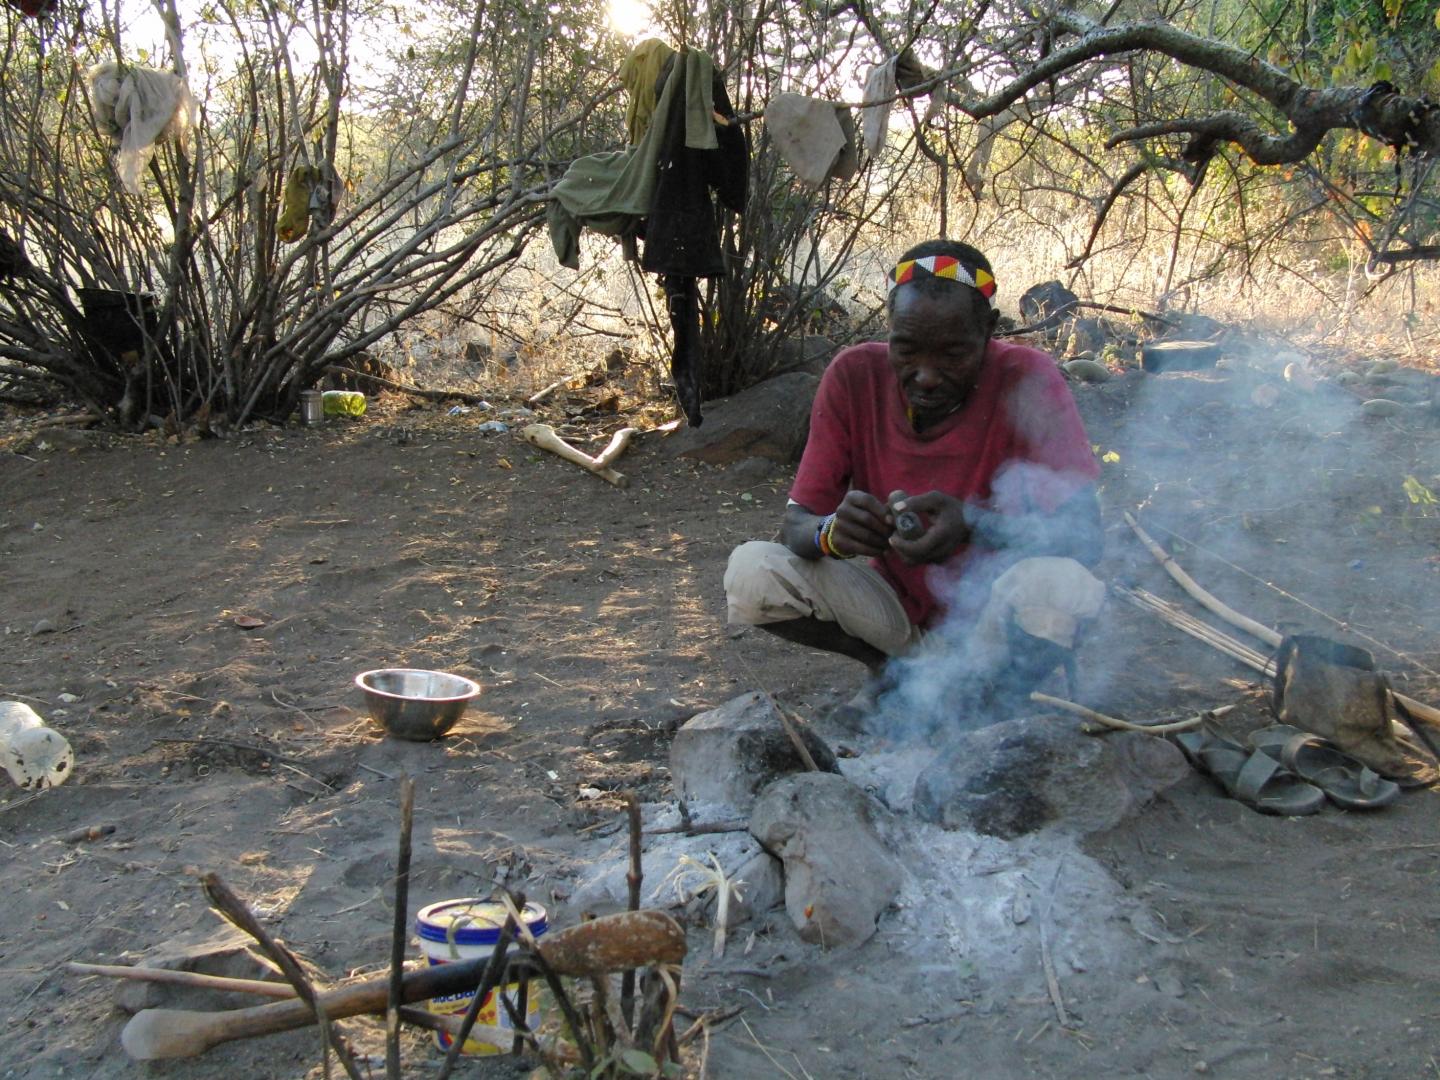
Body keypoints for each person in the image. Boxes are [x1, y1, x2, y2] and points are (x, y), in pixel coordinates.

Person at [723, 238, 1106, 726]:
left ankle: (988, 697)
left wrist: (973, 526)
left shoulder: (1028, 378)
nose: (925, 375)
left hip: (992, 622)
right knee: (752, 570)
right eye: (906, 350)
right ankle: (892, 674)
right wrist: (832, 533)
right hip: (896, 619)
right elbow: (796, 527)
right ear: (890, 330)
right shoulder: (854, 375)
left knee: (1062, 584)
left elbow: (1086, 536)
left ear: (987, 331)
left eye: (952, 353)